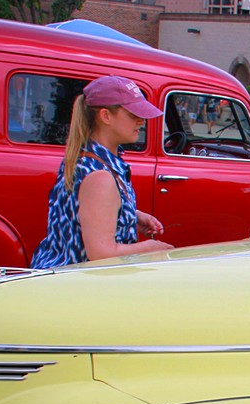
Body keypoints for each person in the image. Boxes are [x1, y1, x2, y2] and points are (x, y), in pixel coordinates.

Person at [31, 76, 172, 269]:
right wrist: (148, 248)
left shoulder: (84, 157)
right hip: (80, 285)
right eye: (133, 114)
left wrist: (132, 215)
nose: (141, 120)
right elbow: (100, 253)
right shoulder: (101, 176)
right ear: (105, 116)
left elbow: (84, 212)